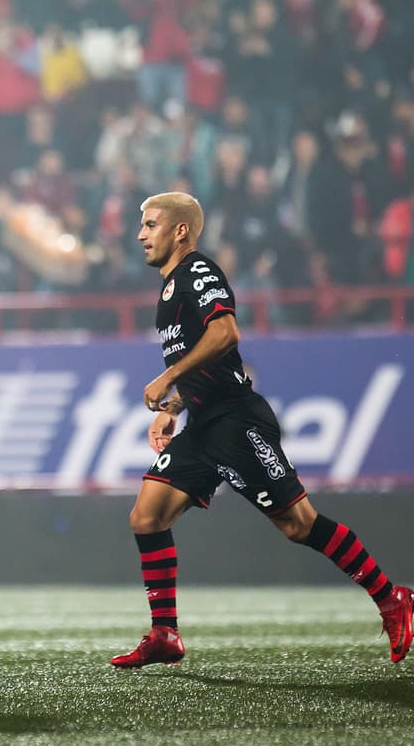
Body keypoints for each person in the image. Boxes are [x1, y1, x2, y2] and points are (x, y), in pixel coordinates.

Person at [112, 192, 412, 668]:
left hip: (236, 421)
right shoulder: (169, 290)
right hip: (204, 423)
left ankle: (392, 597)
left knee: (299, 524)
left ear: (180, 230)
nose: (140, 234)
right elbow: (205, 365)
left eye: (150, 225)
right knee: (147, 516)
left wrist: (167, 377)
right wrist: (172, 405)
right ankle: (164, 633)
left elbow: (226, 334)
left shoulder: (197, 272)